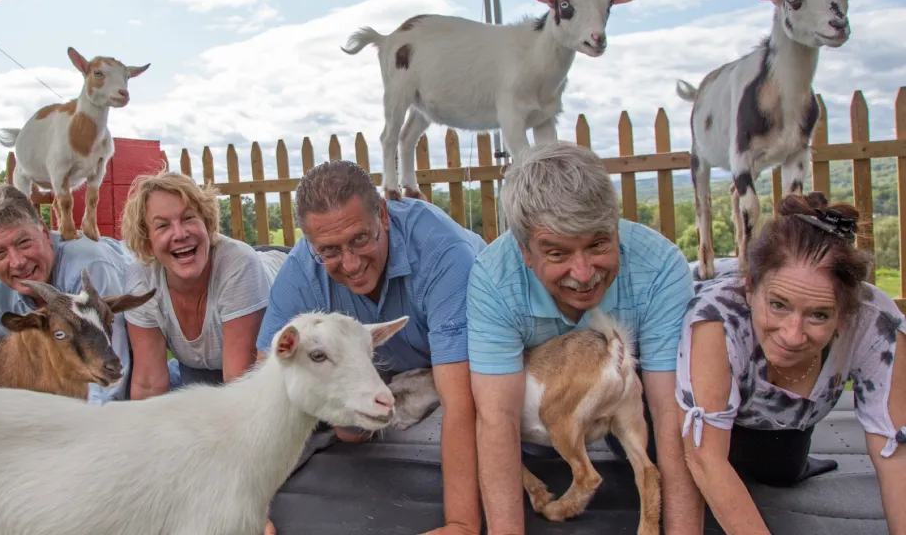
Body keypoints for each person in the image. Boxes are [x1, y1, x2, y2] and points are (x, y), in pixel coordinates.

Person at [465, 141, 703, 534]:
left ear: (615, 225)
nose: (583, 272)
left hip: (623, 400)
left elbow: (669, 411)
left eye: (597, 244)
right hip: (545, 417)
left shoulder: (661, 268)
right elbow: (497, 419)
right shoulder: (494, 279)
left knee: (774, 460)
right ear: (524, 252)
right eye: (557, 254)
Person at [254, 159, 487, 535]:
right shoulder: (301, 270)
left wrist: (461, 524)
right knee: (350, 433)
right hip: (381, 362)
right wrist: (250, 507)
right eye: (329, 250)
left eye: (360, 239)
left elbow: (461, 402)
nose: (350, 263)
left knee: (509, 423)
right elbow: (263, 391)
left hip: (464, 356)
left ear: (382, 213)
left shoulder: (444, 254)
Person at [676, 192, 906, 534]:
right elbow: (704, 456)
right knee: (678, 458)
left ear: (845, 312)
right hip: (678, 408)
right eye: (779, 305)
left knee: (779, 467)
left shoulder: (877, 323)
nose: (793, 335)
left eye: (818, 315)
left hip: (772, 424)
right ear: (751, 288)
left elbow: (896, 451)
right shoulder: (716, 318)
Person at [0, 184, 134, 404]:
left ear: (44, 231)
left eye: (23, 242)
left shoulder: (89, 267)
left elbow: (110, 381)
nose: (18, 262)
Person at [119, 170, 287, 399]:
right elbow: (149, 385)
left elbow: (240, 385)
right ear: (148, 244)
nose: (180, 234)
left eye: (188, 218)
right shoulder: (141, 280)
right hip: (201, 368)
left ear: (207, 224)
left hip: (273, 277)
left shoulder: (238, 266)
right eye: (162, 226)